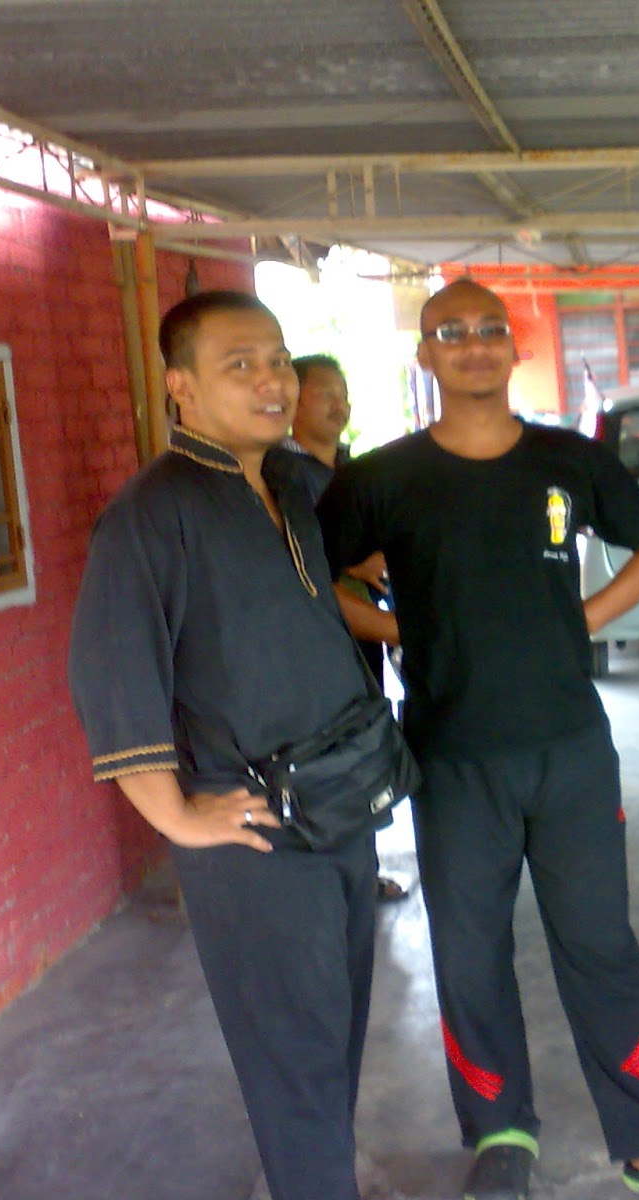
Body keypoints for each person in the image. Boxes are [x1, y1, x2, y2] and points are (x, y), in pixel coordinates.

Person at [318, 279, 639, 1200]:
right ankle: (501, 1133)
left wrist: (585, 618)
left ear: (514, 348)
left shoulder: (567, 459)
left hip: (571, 752)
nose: (473, 344)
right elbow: (317, 581)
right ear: (425, 355)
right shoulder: (381, 478)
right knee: (470, 956)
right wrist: (397, 629)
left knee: (601, 949)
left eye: (490, 329)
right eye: (451, 331)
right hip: (451, 758)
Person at [67, 290, 383, 1200]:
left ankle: (317, 1180)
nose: (270, 381)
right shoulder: (153, 513)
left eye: (278, 361)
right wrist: (178, 818)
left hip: (339, 799)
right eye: (239, 365)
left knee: (337, 1028)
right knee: (293, 1049)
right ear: (182, 387)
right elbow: (113, 673)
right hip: (254, 828)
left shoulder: (292, 487)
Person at [284, 352, 409, 904]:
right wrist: (354, 563)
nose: (341, 405)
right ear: (294, 401)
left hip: (365, 639)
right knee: (327, 759)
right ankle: (331, 878)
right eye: (326, 393)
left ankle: (362, 872)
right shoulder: (282, 477)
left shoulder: (349, 471)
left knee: (364, 750)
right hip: (317, 644)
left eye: (344, 394)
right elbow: (298, 563)